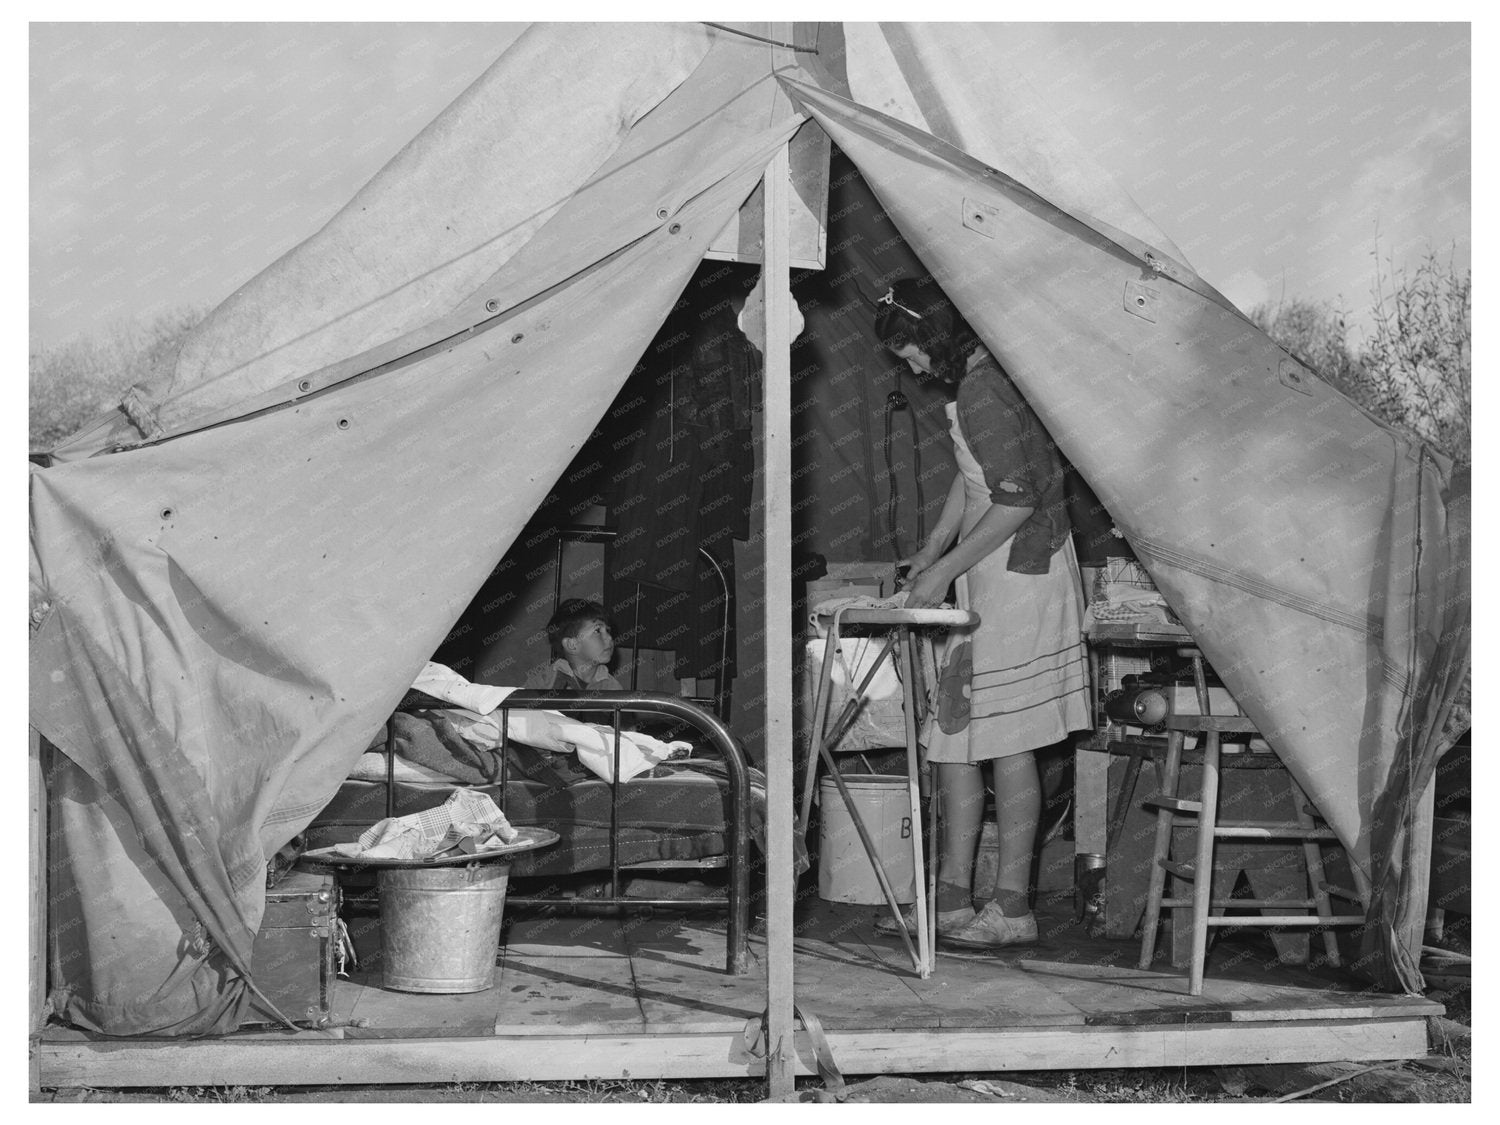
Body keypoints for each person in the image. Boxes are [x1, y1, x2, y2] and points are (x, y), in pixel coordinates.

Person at [871, 279, 1091, 949]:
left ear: (933, 333)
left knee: (1007, 738)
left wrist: (943, 569)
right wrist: (933, 551)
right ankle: (954, 898)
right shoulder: (978, 381)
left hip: (1024, 573)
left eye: (909, 351)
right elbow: (975, 484)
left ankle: (1013, 905)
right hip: (988, 574)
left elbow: (1017, 499)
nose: (910, 367)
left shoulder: (984, 388)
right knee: (956, 736)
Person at [525, 598, 624, 692]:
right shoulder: (545, 681)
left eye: (607, 630)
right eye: (597, 631)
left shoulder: (612, 688)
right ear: (572, 645)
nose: (609, 637)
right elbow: (516, 707)